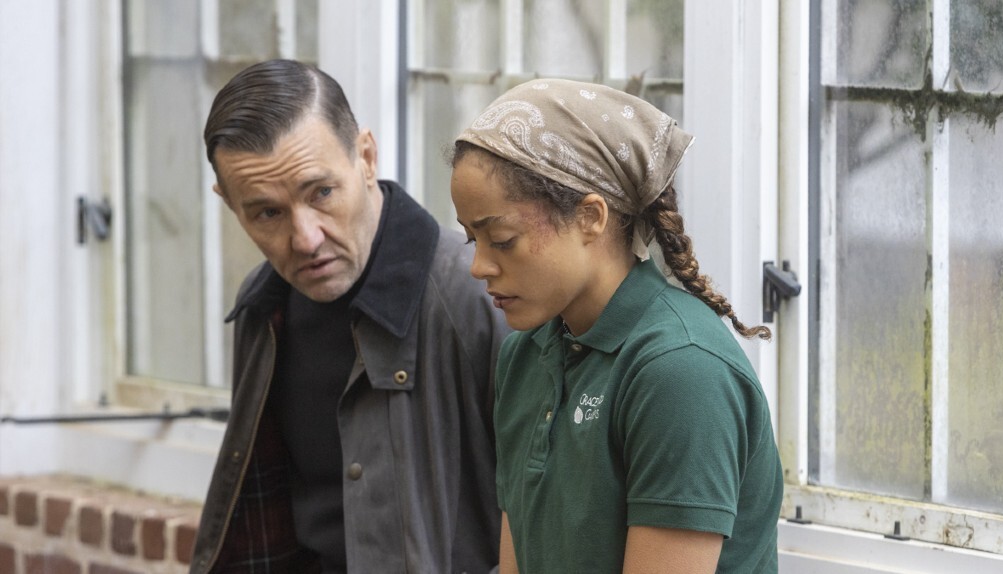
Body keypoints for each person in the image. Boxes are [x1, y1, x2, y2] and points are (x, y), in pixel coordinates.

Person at [449, 79, 784, 573]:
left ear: (591, 216)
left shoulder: (681, 372)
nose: (479, 266)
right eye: (470, 239)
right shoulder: (524, 355)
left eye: (501, 239)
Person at [190, 59, 509, 574]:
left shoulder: (479, 295)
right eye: (267, 212)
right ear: (228, 203)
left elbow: (555, 527)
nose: (305, 238)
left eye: (321, 193)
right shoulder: (262, 308)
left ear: (366, 157)